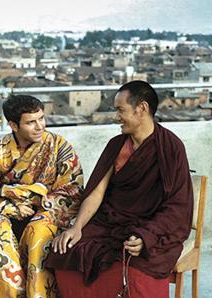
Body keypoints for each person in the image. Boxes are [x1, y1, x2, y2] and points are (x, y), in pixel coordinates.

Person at [46, 80, 193, 298]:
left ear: (141, 108)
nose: (116, 117)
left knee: (135, 266)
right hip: (111, 223)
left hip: (149, 226)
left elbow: (177, 206)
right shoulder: (117, 145)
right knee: (66, 252)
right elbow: (97, 191)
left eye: (120, 110)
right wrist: (77, 227)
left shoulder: (170, 147)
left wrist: (146, 236)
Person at [0, 94, 84, 297]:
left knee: (38, 232)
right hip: (9, 212)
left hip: (47, 211)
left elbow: (72, 190)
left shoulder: (59, 147)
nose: (40, 126)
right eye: (31, 122)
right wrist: (12, 206)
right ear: (13, 125)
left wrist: (32, 199)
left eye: (41, 119)